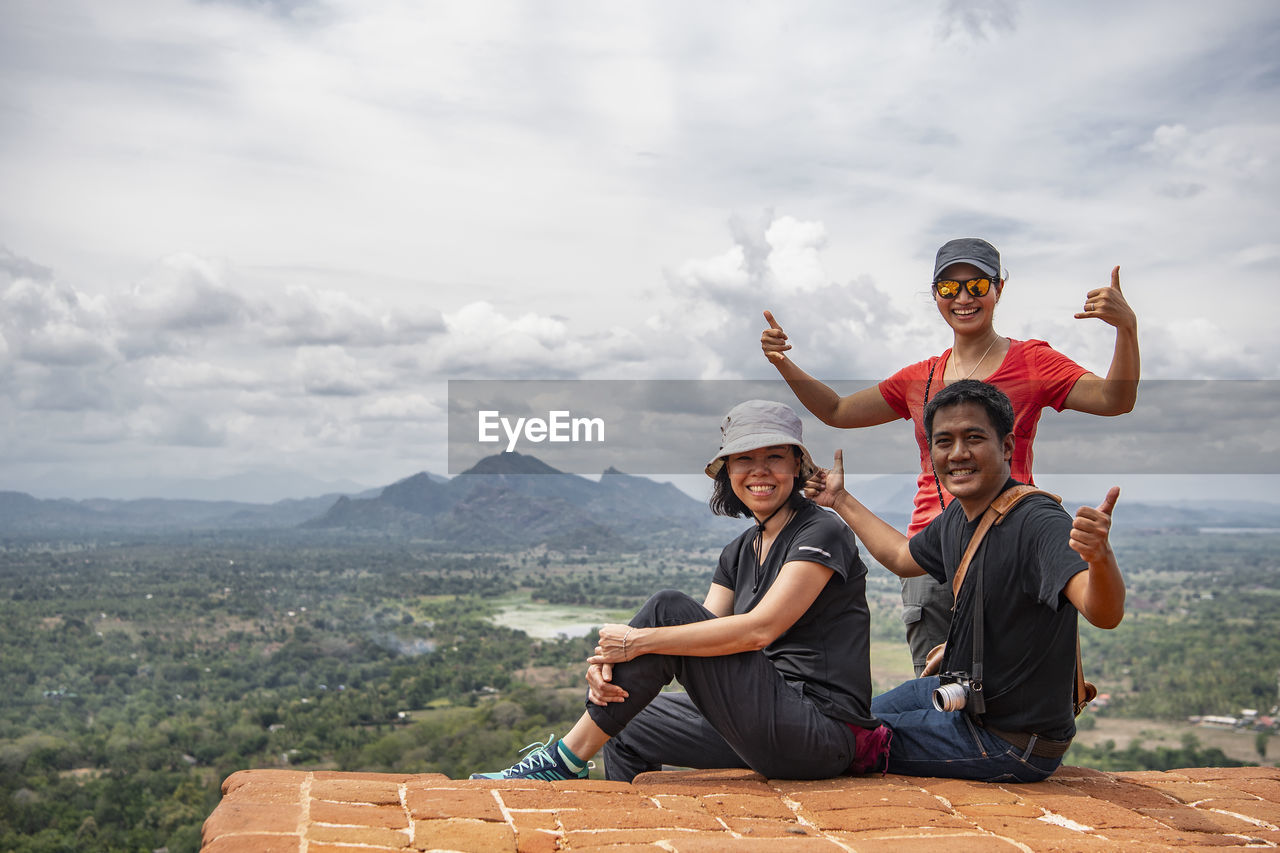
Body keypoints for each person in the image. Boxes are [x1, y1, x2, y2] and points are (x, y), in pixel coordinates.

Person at [762, 237, 1138, 674]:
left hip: (1006, 544)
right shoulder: (920, 378)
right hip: (929, 551)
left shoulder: (1033, 362)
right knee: (934, 693)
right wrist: (782, 363)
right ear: (936, 293)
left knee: (1002, 692)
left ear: (1000, 288)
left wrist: (1126, 329)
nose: (963, 298)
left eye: (977, 286)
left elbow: (1115, 399)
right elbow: (837, 410)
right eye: (948, 288)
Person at [470, 400, 886, 782]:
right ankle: (631, 834)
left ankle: (561, 764)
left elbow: (759, 630)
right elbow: (700, 639)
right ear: (728, 472)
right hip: (762, 717)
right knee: (622, 719)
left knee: (667, 607)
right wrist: (606, 670)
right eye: (744, 459)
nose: (759, 471)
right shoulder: (739, 550)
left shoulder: (822, 530)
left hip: (820, 730)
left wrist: (636, 642)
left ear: (797, 466)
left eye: (774, 457)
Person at [806, 379, 1125, 781]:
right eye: (944, 441)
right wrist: (839, 500)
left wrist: (1100, 558)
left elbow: (1104, 612)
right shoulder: (962, 513)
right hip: (965, 701)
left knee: (831, 737)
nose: (958, 453)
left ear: (1007, 446)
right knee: (846, 715)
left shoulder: (1038, 522)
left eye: (973, 438)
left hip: (1009, 739)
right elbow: (904, 557)